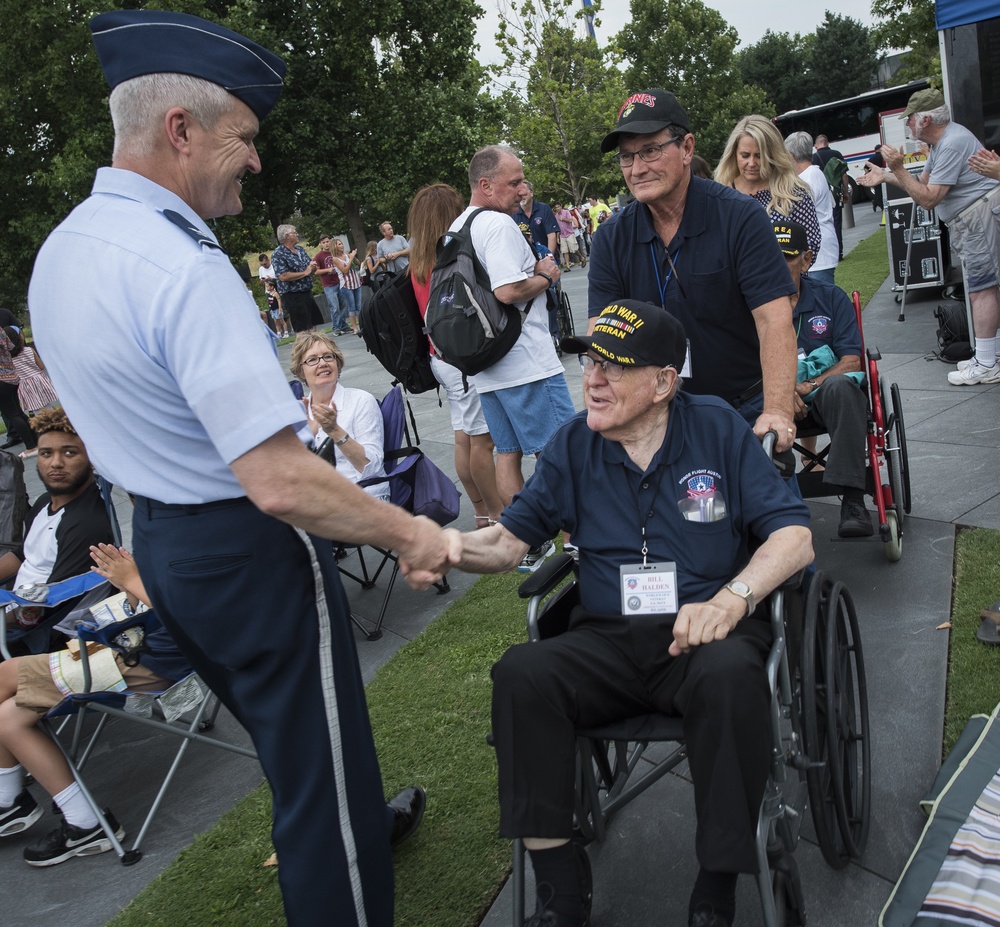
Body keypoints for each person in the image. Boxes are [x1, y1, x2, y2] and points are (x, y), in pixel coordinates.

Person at [27, 11, 455, 926]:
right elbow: (280, 479)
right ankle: (345, 846)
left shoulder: (60, 253)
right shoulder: (184, 265)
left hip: (168, 541)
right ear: (180, 129)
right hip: (246, 545)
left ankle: (356, 822)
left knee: (288, 738)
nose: (255, 161)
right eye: (244, 137)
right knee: (319, 784)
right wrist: (416, 531)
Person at [449, 300, 813, 927]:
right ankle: (561, 888)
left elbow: (795, 539)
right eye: (591, 361)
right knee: (522, 675)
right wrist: (445, 546)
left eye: (614, 366)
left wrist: (732, 599)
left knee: (731, 677)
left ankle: (717, 885)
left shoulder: (718, 430)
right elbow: (508, 542)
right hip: (610, 643)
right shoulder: (572, 446)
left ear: (663, 383)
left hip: (704, 637)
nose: (592, 377)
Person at [589, 88, 799, 453]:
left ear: (686, 148)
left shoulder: (741, 218)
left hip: (742, 412)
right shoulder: (610, 237)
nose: (637, 169)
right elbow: (602, 337)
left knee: (773, 510)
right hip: (654, 417)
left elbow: (774, 321)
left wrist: (777, 411)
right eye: (626, 157)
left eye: (650, 150)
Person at [0, 541, 189, 865]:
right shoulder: (180, 537)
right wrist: (128, 583)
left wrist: (132, 580)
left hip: (148, 667)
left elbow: (189, 618)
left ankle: (11, 799)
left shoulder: (196, 545)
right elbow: (150, 610)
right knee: (8, 718)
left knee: (4, 674)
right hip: (140, 652)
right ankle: (83, 822)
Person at [454, 145, 576, 568]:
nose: (522, 189)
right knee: (562, 451)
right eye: (514, 181)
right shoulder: (496, 225)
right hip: (524, 360)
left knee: (507, 453)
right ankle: (576, 538)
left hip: (486, 364)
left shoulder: (456, 228)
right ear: (485, 185)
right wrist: (544, 275)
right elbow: (508, 291)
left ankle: (530, 541)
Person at [858, 88, 1000, 387]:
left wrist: (896, 168)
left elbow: (928, 199)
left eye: (909, 119)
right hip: (971, 221)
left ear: (924, 120)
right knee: (981, 287)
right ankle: (990, 358)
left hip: (976, 220)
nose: (907, 125)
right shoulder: (942, 144)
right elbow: (919, 185)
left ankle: (988, 363)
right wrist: (886, 176)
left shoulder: (950, 144)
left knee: (982, 289)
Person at [407, 183, 503, 527]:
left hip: (440, 358)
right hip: (462, 358)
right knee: (483, 441)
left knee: (463, 437)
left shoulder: (417, 262)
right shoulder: (449, 255)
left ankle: (480, 510)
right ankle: (496, 514)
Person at [774, 220, 872, 537]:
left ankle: (853, 501)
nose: (776, 265)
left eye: (786, 257)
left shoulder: (830, 298)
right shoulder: (749, 307)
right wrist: (783, 390)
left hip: (823, 400)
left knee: (843, 385)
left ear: (806, 259)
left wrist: (810, 386)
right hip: (771, 403)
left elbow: (852, 360)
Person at [0, 408, 113, 637]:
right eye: (46, 453)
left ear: (92, 458)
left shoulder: (87, 522)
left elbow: (45, 607)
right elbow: (24, 555)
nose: (56, 463)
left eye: (69, 453)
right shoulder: (45, 503)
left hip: (40, 632)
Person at [292, 333, 390, 500]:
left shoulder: (360, 401)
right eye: (312, 359)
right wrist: (308, 440)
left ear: (337, 363)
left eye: (328, 357)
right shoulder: (297, 413)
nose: (322, 363)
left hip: (361, 497)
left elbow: (372, 468)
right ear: (301, 371)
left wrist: (335, 431)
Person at [715, 115, 822, 257]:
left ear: (772, 155)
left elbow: (811, 245)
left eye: (759, 156)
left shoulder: (794, 193)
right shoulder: (721, 196)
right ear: (734, 154)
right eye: (745, 155)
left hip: (785, 278)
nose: (752, 163)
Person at [785, 131, 839, 285]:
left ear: (791, 155)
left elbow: (796, 208)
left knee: (820, 303)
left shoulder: (809, 177)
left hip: (819, 254)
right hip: (819, 250)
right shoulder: (813, 174)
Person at [514, 181, 562, 342]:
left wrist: (547, 258)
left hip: (543, 254)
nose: (521, 196)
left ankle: (553, 331)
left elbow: (551, 235)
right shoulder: (514, 213)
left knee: (551, 296)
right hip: (524, 264)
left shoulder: (543, 209)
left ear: (532, 193)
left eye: (525, 192)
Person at [272, 223, 320, 333]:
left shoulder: (300, 249)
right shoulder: (278, 253)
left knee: (313, 325)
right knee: (302, 328)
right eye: (295, 232)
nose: (297, 234)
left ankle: (314, 348)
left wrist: (313, 268)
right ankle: (303, 349)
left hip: (307, 292)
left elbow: (309, 267)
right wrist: (305, 272)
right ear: (287, 236)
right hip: (293, 295)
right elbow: (283, 276)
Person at [0, 328, 37, 460]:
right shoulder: (1, 330)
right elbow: (10, 346)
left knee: (12, 415)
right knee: (19, 413)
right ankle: (35, 441)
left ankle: (31, 447)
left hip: (1, 379)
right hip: (11, 375)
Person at [813, 134, 850, 260]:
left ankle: (826, 253)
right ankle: (839, 252)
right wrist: (845, 192)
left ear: (815, 145)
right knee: (837, 223)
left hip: (820, 196)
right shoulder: (837, 154)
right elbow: (844, 175)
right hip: (835, 194)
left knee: (822, 224)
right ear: (827, 143)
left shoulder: (814, 157)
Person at [6, 329, 58, 415]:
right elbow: (41, 366)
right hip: (39, 380)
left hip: (26, 385)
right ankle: (55, 420)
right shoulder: (29, 350)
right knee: (47, 404)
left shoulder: (8, 359)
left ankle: (44, 424)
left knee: (36, 409)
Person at [313, 234, 347, 335]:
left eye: (327, 241)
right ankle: (336, 327)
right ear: (321, 244)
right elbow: (315, 271)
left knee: (343, 305)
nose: (326, 244)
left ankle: (343, 325)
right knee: (334, 307)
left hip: (340, 281)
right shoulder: (319, 256)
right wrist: (327, 269)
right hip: (329, 285)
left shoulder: (335, 252)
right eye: (323, 242)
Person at [331, 238, 363, 337]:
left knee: (359, 306)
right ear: (335, 247)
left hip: (356, 282)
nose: (342, 245)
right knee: (352, 307)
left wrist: (354, 257)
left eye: (341, 244)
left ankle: (362, 325)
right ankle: (354, 327)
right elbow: (345, 270)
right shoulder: (335, 259)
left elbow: (358, 264)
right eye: (339, 244)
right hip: (346, 285)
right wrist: (351, 257)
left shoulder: (347, 255)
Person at [553, 203, 584, 271]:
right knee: (564, 251)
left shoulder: (566, 212)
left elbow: (570, 220)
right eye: (556, 207)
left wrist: (563, 219)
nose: (557, 208)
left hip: (569, 233)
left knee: (573, 249)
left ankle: (581, 257)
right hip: (562, 235)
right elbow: (557, 227)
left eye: (558, 207)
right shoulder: (556, 216)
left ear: (561, 207)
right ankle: (568, 266)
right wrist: (557, 237)